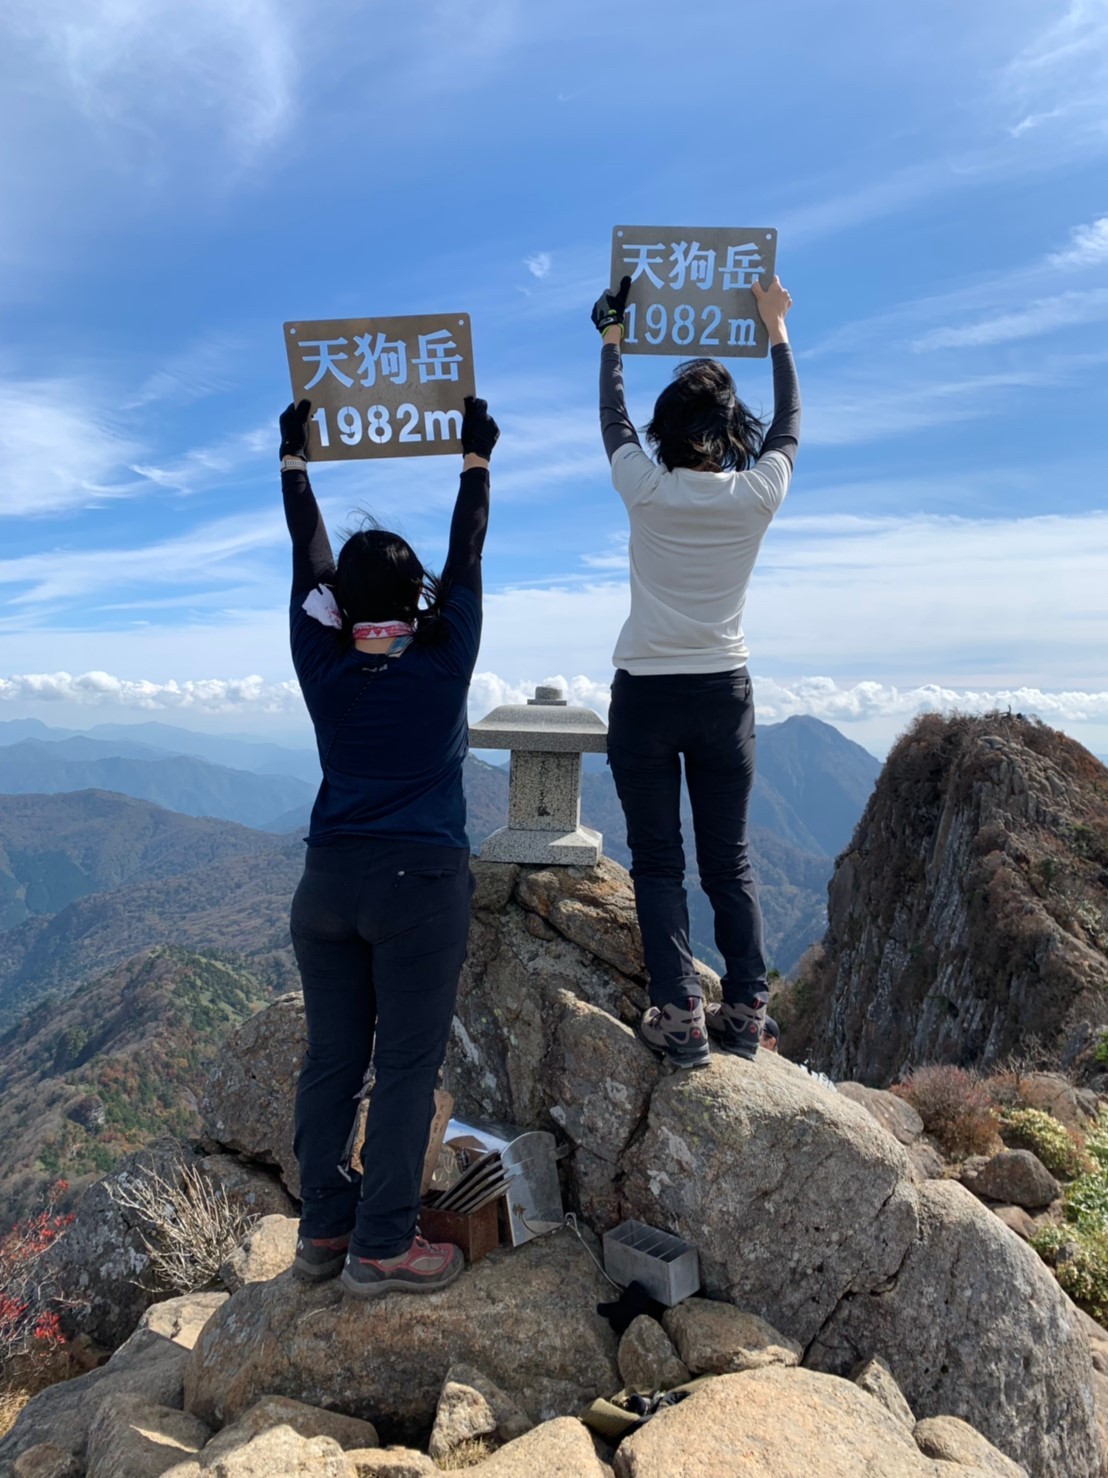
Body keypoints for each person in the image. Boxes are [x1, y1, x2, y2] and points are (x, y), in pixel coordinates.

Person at [278, 392, 499, 1296]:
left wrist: (294, 468)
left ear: (337, 605)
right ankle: (384, 1245)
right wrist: (475, 462)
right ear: (417, 598)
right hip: (420, 885)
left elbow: (309, 562)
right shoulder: (445, 660)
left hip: (327, 882)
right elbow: (467, 557)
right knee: (407, 1065)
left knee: (332, 1058)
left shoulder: (321, 663)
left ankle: (323, 1235)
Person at [592, 273, 800, 1070]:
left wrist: (613, 336)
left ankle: (680, 1016)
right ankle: (746, 1011)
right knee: (731, 859)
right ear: (726, 430)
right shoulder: (756, 497)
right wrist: (775, 328)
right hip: (724, 694)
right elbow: (790, 425)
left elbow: (611, 420)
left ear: (666, 430)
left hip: (644, 695)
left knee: (657, 860)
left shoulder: (644, 489)